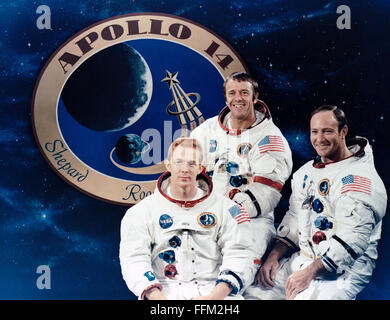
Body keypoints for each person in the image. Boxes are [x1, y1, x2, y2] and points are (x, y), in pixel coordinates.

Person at [254, 105, 387, 300]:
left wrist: (308, 274)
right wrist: (274, 257)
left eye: (327, 131)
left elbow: (351, 242)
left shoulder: (359, 179)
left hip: (341, 273)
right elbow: (294, 220)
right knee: (253, 292)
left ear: (344, 132)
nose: (319, 138)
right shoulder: (306, 172)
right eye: (314, 132)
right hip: (305, 259)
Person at [190, 72, 293, 297]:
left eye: (244, 93)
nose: (238, 98)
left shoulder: (269, 138)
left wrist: (226, 212)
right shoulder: (207, 131)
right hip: (207, 216)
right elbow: (185, 171)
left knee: (235, 269)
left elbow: (267, 192)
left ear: (255, 97)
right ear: (226, 98)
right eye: (232, 93)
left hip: (251, 221)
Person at [119, 137, 257, 300]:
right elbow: (133, 259)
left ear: (200, 167)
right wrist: (157, 298)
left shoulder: (228, 209)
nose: (185, 169)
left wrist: (214, 297)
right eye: (178, 162)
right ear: (168, 165)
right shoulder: (141, 212)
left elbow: (240, 253)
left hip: (214, 292)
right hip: (162, 292)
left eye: (191, 163)